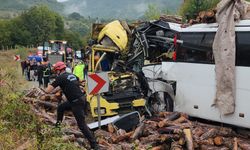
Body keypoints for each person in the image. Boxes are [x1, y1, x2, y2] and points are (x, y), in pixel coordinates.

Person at [45, 61, 99, 150]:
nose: (55, 72)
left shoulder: (60, 78)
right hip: (82, 99)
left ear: (58, 70)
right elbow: (78, 82)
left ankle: (94, 145)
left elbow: (48, 90)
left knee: (81, 125)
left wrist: (45, 90)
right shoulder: (72, 75)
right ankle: (58, 128)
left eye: (56, 71)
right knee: (61, 107)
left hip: (76, 102)